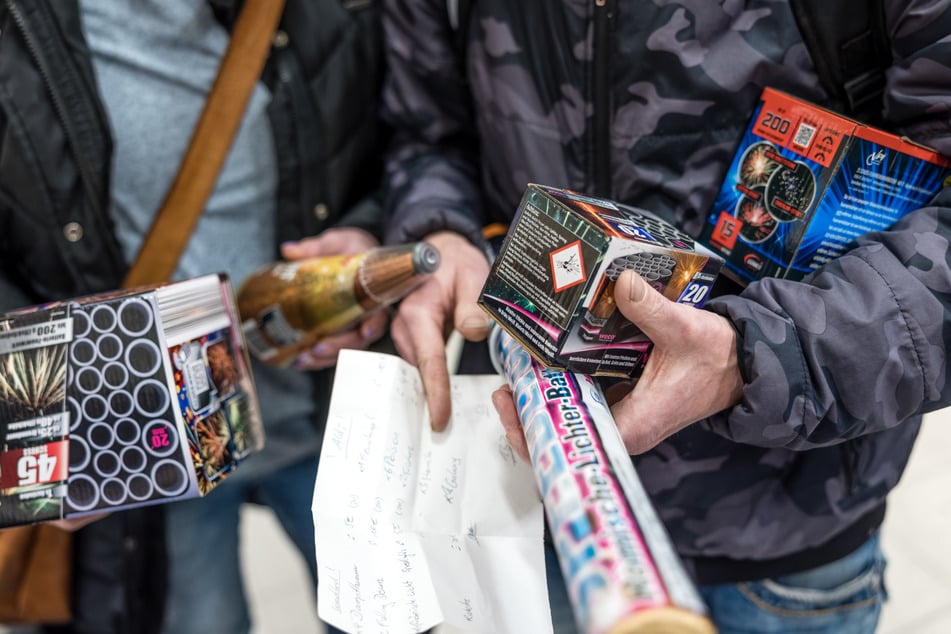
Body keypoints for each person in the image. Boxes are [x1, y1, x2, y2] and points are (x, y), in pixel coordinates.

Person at [380, 1, 951, 632]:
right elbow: (426, 129)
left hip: (782, 527)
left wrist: (757, 356)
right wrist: (439, 234)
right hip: (541, 515)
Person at [0, 1, 385, 633]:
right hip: (146, 450)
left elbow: (421, 132)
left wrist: (373, 236)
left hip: (332, 406)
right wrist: (31, 412)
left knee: (385, 617)